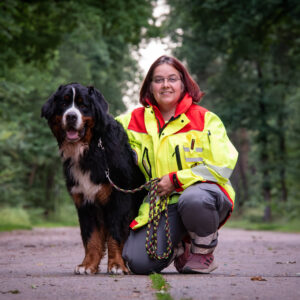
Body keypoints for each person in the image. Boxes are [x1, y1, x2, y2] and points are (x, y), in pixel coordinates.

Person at [116, 55, 238, 275]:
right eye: (158, 79)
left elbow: (223, 163)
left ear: (183, 84)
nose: (165, 85)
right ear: (150, 86)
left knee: (194, 199)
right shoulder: (133, 120)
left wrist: (176, 180)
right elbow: (104, 132)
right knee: (138, 263)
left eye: (172, 79)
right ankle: (181, 247)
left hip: (204, 198)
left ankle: (202, 252)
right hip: (163, 203)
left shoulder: (206, 119)